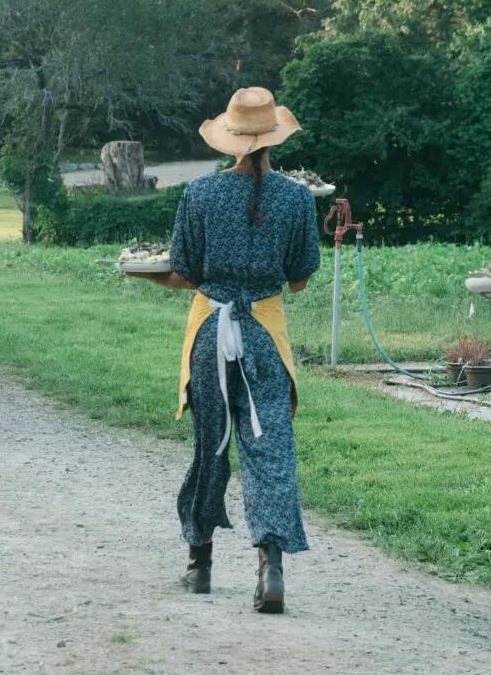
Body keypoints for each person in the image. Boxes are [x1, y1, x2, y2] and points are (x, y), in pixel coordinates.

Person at [129, 87, 319, 615]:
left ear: (229, 140)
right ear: (273, 139)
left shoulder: (201, 194)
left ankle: (200, 564)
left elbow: (185, 273)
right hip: (264, 334)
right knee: (270, 447)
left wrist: (147, 276)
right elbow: (300, 279)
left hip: (211, 331)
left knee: (210, 446)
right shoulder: (298, 199)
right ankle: (271, 567)